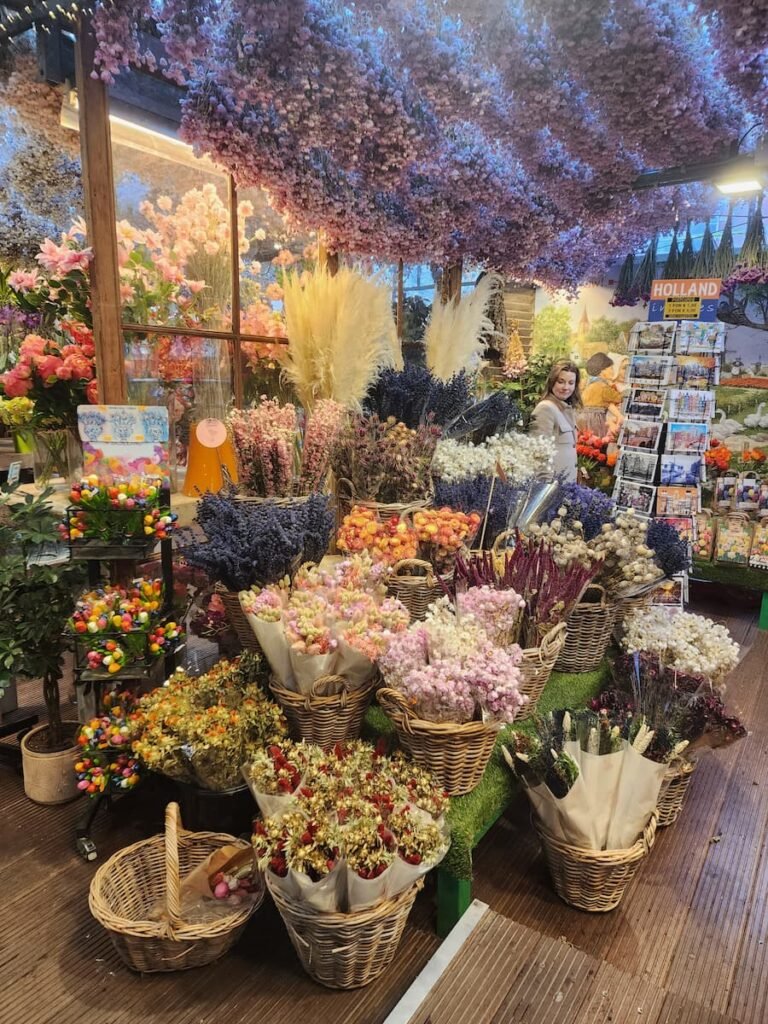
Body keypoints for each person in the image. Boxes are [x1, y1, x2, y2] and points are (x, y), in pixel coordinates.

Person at [529, 359, 581, 482]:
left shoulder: (567, 409)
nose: (566, 387)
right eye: (561, 382)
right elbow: (539, 454)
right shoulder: (545, 409)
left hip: (566, 486)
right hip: (552, 488)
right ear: (552, 382)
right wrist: (545, 488)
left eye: (571, 383)